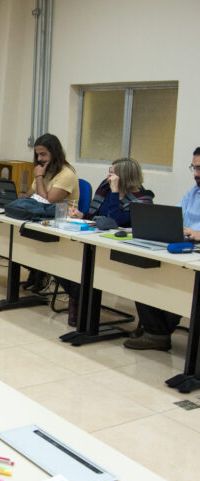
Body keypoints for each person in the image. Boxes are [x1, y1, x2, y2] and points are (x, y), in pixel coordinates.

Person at [124, 147, 200, 351]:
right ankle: (156, 330)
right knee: (143, 266)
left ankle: (156, 331)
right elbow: (174, 215)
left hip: (195, 257)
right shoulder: (194, 192)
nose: (196, 174)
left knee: (176, 283)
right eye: (193, 168)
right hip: (182, 249)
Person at [64, 158, 154, 326]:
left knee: (82, 268)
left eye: (112, 173)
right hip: (95, 240)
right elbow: (94, 215)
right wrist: (80, 215)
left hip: (121, 252)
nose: (108, 176)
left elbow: (116, 220)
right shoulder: (105, 188)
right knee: (65, 259)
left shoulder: (142, 199)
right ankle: (79, 299)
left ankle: (81, 305)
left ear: (124, 177)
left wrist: (114, 192)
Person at [24, 133, 79, 292]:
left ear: (54, 153)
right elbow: (30, 195)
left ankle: (42, 273)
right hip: (43, 218)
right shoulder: (44, 170)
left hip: (61, 222)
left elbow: (49, 200)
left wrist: (39, 176)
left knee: (29, 236)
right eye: (37, 154)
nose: (39, 158)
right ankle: (35, 271)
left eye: (43, 154)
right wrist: (14, 199)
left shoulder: (66, 174)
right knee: (18, 234)